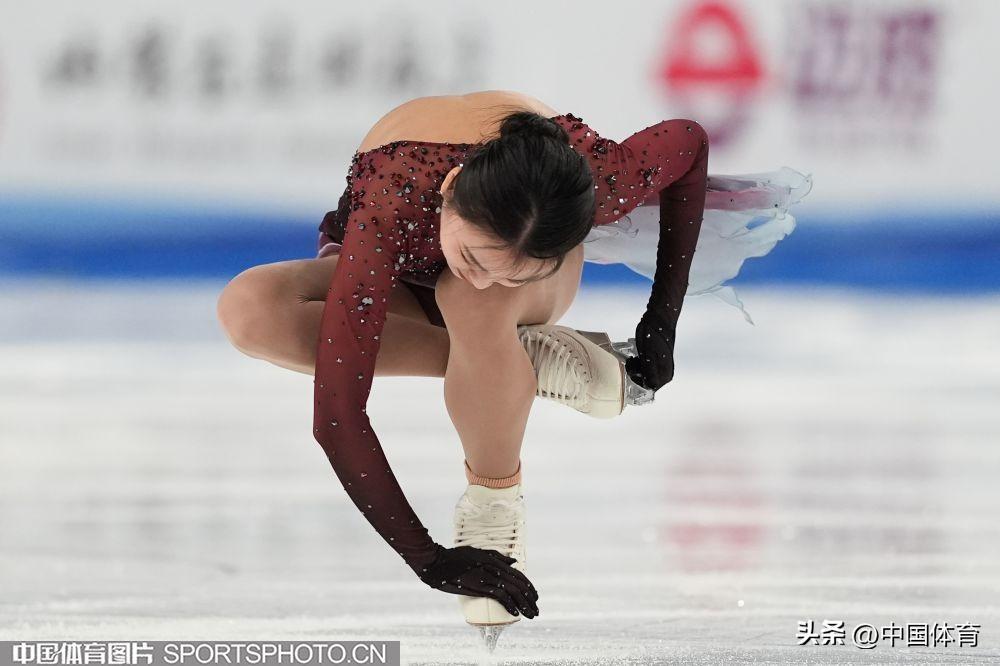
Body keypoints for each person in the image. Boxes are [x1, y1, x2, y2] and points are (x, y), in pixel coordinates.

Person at [216, 89, 812, 628]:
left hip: (501, 300)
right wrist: (425, 557)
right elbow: (338, 415)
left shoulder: (599, 181)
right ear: (449, 193)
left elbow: (689, 141)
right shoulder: (390, 204)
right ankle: (512, 365)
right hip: (403, 260)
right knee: (250, 309)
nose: (483, 276)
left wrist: (662, 319)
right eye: (475, 258)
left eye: (513, 270)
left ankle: (493, 500)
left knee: (468, 300)